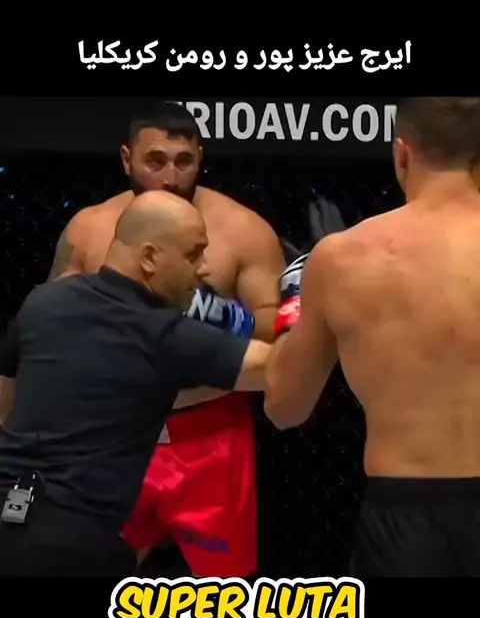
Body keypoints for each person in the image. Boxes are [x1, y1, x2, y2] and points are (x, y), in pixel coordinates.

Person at [46, 100, 286, 578]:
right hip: (110, 433)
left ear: (201, 158)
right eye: (155, 161)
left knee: (227, 590)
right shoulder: (89, 228)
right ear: (126, 159)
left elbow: (277, 329)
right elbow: (52, 324)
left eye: (184, 161)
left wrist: (214, 312)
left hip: (209, 432)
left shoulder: (242, 230)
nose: (171, 177)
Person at [0, 192, 271, 577]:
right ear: (148, 257)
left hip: (13, 505)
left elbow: (5, 403)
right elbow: (277, 371)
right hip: (72, 541)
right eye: (194, 255)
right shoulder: (164, 333)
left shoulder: (42, 303)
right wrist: (301, 305)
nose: (204, 269)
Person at [264, 97, 480, 577]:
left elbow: (284, 406)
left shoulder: (343, 259)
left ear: (402, 154)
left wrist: (294, 300)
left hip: (404, 521)